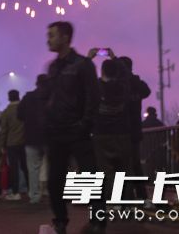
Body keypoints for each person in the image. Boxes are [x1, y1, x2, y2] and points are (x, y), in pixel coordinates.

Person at [41, 22, 103, 234]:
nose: (48, 39)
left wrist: (84, 125)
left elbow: (93, 97)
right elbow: (50, 97)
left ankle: (98, 221)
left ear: (65, 37)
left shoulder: (83, 64)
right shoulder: (53, 67)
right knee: (54, 181)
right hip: (56, 132)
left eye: (52, 35)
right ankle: (60, 221)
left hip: (78, 131)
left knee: (90, 177)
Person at [93, 57, 132, 208]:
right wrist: (115, 58)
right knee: (123, 168)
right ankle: (125, 201)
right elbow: (127, 76)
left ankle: (111, 201)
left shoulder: (96, 86)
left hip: (101, 133)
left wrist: (89, 58)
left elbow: (82, 81)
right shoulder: (123, 87)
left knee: (106, 170)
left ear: (102, 71)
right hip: (122, 132)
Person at [117, 56, 151, 203]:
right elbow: (146, 91)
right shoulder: (136, 84)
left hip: (123, 131)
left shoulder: (123, 84)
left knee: (125, 165)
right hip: (134, 131)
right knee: (134, 164)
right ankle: (141, 196)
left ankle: (129, 196)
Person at [17, 74, 48, 204]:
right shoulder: (52, 96)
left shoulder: (28, 97)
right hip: (49, 137)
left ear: (36, 83)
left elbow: (19, 115)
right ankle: (51, 191)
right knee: (53, 167)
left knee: (33, 169)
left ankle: (34, 195)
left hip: (31, 137)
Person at [0, 89, 28, 201]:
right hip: (24, 142)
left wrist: (2, 145)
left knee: (14, 168)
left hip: (11, 143)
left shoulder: (6, 112)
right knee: (26, 167)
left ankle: (16, 192)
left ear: (9, 98)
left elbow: (4, 130)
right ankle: (30, 190)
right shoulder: (25, 109)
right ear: (18, 96)